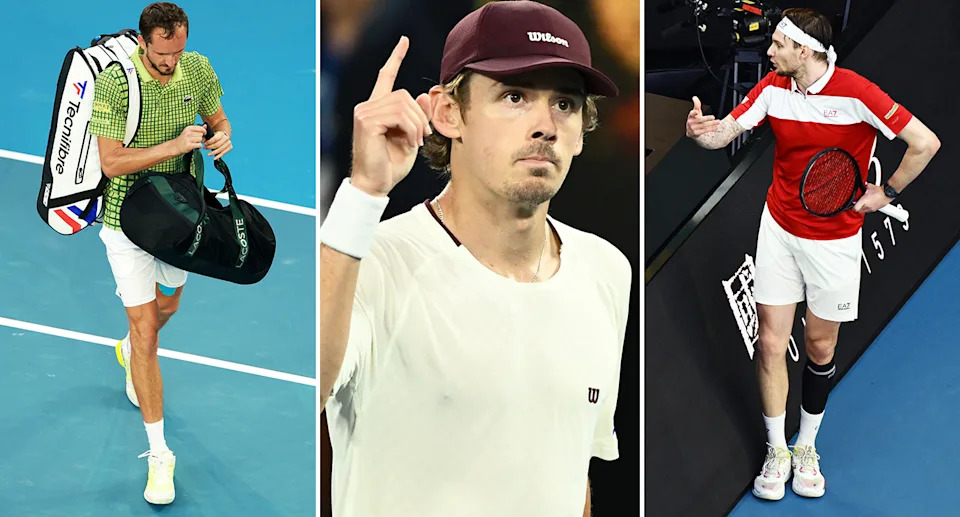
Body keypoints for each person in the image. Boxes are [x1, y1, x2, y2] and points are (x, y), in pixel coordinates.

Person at [318, 1, 630, 515]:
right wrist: (363, 193)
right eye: (514, 96)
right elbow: (306, 390)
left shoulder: (607, 270)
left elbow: (575, 474)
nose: (544, 126)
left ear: (580, 133)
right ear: (447, 113)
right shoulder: (369, 264)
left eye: (565, 104)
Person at [685, 7, 940, 501]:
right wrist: (701, 133)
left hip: (835, 241)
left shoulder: (857, 92)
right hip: (779, 229)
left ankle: (808, 446)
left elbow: (925, 143)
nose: (769, 50)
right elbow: (725, 133)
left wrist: (885, 192)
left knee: (820, 348)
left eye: (778, 44)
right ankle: (778, 449)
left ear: (804, 51)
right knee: (771, 345)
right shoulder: (772, 89)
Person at [90, 1, 232, 505]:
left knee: (167, 304)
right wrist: (175, 146)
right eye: (163, 53)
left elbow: (218, 119)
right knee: (146, 331)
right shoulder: (115, 84)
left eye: (178, 50)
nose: (172, 61)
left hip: (180, 217)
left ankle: (128, 350)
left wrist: (220, 139)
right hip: (125, 220)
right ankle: (159, 455)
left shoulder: (196, 66)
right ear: (144, 42)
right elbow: (110, 162)